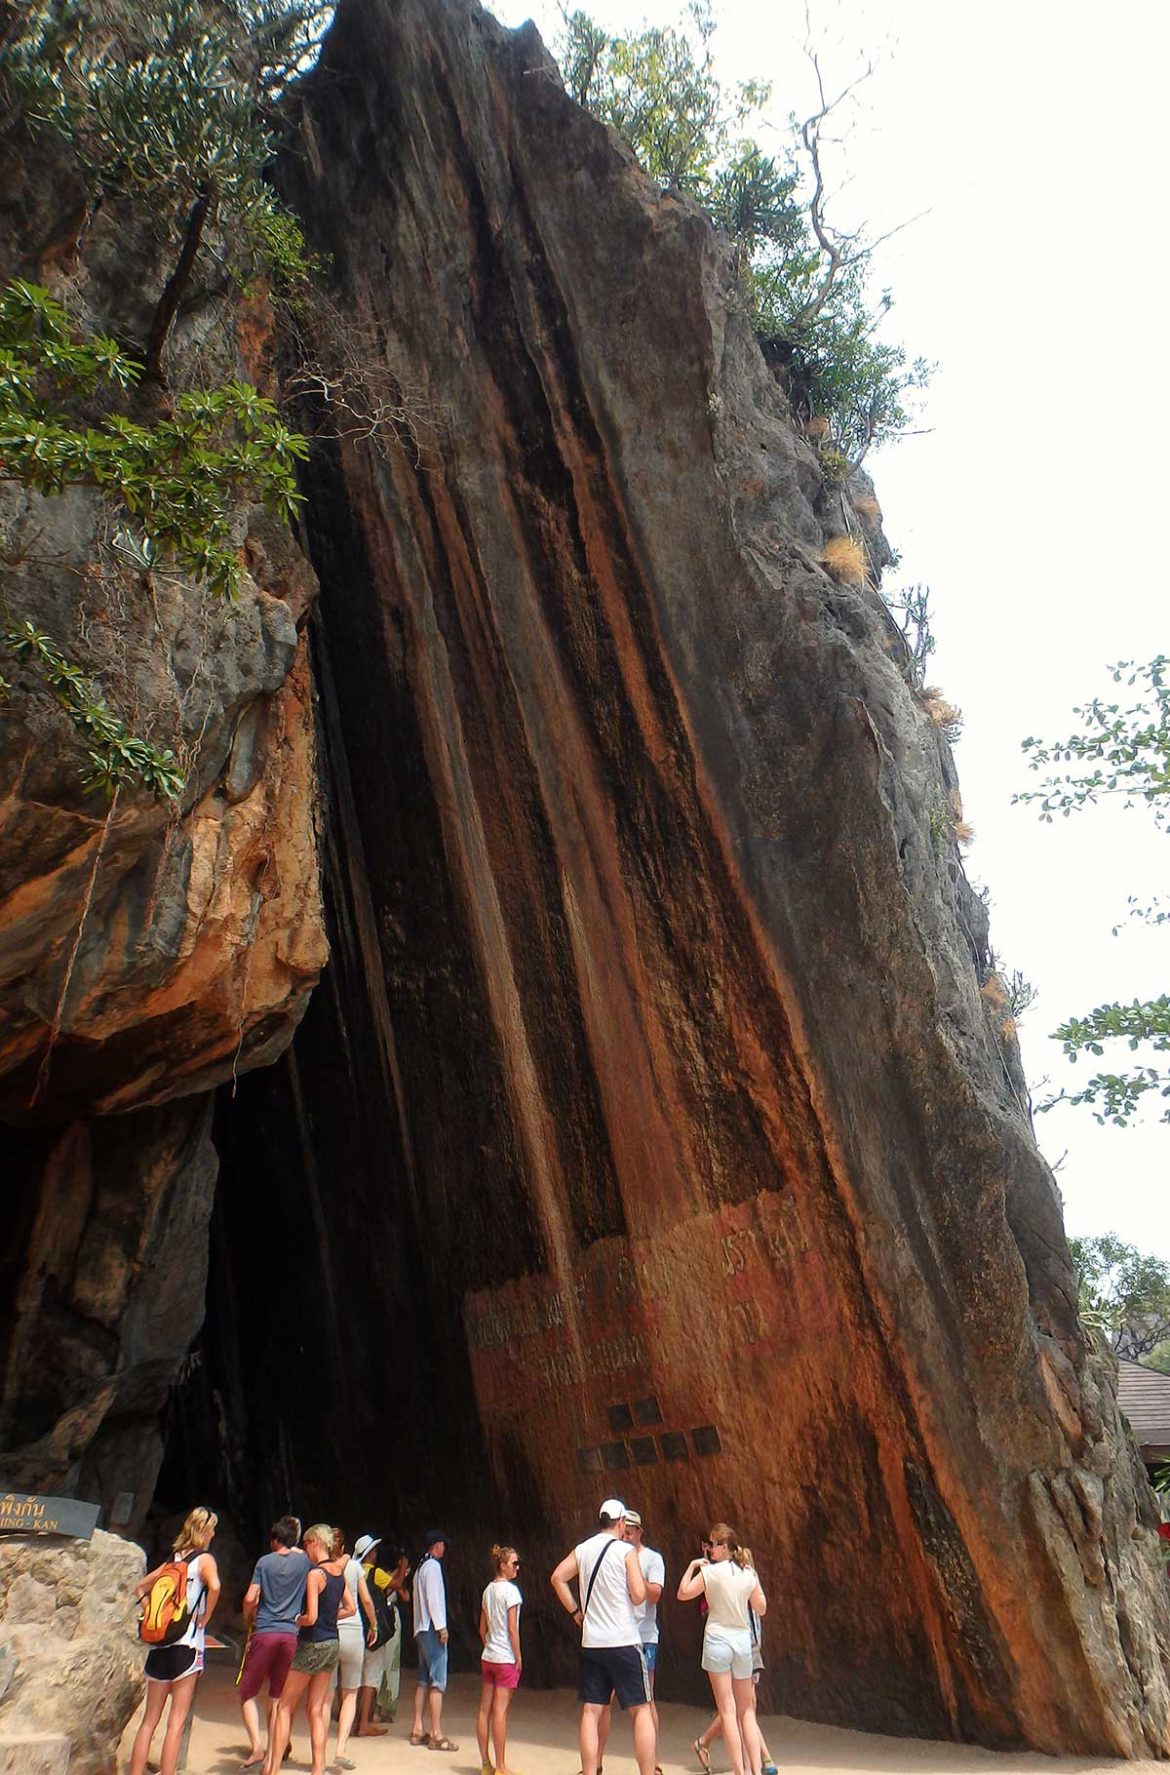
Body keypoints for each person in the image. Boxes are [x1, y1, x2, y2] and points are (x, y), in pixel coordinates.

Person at [550, 1497, 654, 1775]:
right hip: (623, 1641)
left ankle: (589, 1770)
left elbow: (557, 1577)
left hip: (593, 1643)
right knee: (641, 1710)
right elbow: (638, 1594)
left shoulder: (583, 1549)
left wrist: (575, 1612)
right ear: (621, 1523)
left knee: (591, 1711)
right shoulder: (625, 1551)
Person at [129, 1506, 221, 1775]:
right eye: (212, 1528)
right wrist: (205, 1617)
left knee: (149, 1720)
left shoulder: (172, 1560)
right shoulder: (205, 1560)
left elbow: (140, 1587)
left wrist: (150, 1612)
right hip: (187, 1645)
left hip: (160, 1645)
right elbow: (214, 1586)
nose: (214, 1533)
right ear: (203, 1531)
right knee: (176, 1722)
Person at [265, 1523, 355, 1775]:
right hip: (332, 1643)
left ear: (315, 1542)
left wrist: (298, 1619)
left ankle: (272, 1769)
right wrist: (331, 1616)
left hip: (311, 1643)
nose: (305, 1549)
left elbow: (311, 1617)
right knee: (316, 1709)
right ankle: (318, 1768)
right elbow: (351, 1608)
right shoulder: (338, 1572)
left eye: (306, 1544)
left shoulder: (315, 1575)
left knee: (283, 1705)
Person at [678, 1523, 767, 1775]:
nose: (709, 1549)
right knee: (747, 1711)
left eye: (712, 1544)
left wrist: (693, 1566)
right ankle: (756, 1771)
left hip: (718, 1639)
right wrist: (752, 1579)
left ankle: (740, 1771)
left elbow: (683, 1593)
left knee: (728, 1712)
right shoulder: (747, 1574)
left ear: (724, 1547)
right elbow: (761, 1608)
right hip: (742, 1642)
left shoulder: (711, 1573)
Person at [692, 1547, 777, 1775]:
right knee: (742, 1707)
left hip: (746, 1647)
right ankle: (756, 1763)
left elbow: (759, 1612)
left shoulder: (746, 1581)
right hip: (740, 1646)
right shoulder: (738, 1580)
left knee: (742, 1706)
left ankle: (707, 1744)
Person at [238, 1514, 310, 1771]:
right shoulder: (304, 1563)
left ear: (274, 1539)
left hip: (265, 1630)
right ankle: (274, 1753)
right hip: (291, 1634)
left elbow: (250, 1598)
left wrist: (248, 1618)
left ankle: (258, 1747)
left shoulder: (264, 1563)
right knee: (279, 1696)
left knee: (247, 1692)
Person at [333, 1528, 378, 1770]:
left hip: (328, 1631)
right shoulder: (353, 1567)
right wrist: (374, 1624)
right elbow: (367, 1600)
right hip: (352, 1630)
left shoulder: (321, 1567)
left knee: (325, 1693)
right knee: (350, 1692)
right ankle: (341, 1747)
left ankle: (318, 1752)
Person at [476, 1544, 522, 1775]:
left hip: (489, 1656)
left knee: (484, 1711)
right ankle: (501, 1767)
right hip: (504, 1657)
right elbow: (513, 1628)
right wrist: (518, 1656)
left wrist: (489, 1646)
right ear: (502, 1566)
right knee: (500, 1712)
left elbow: (481, 1628)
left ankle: (486, 1764)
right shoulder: (511, 1591)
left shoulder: (487, 1590)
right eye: (514, 1563)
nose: (517, 1567)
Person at [410, 1529, 458, 1752]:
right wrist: (442, 1627)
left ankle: (417, 1729)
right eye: (443, 1545)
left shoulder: (420, 1568)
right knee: (437, 1679)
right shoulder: (433, 1567)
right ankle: (436, 1734)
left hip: (420, 1629)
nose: (444, 1549)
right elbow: (433, 1598)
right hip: (431, 1628)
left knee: (422, 1679)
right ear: (436, 1545)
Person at [356, 1538, 409, 1735]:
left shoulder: (355, 1571)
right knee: (371, 1677)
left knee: (357, 1679)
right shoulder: (374, 1573)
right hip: (372, 1631)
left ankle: (354, 1720)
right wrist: (403, 1567)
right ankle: (364, 1723)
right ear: (371, 1554)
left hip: (356, 1628)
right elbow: (396, 1584)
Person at [624, 1510, 665, 1751]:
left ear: (640, 1532)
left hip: (645, 1635)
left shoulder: (652, 1559)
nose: (627, 1535)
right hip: (619, 1635)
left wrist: (635, 1574)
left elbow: (656, 1594)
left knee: (646, 1697)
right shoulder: (616, 1555)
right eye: (624, 1530)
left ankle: (653, 1758)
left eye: (631, 1531)